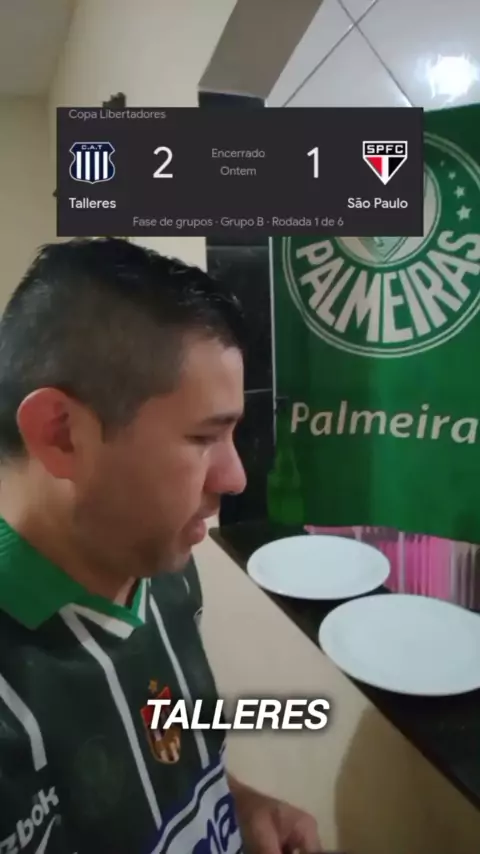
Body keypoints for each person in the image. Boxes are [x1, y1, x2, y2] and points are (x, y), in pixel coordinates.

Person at [0, 238, 322, 854]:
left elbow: (166, 738)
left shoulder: (162, 564)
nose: (236, 477)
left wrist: (234, 802)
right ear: (61, 434)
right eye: (204, 437)